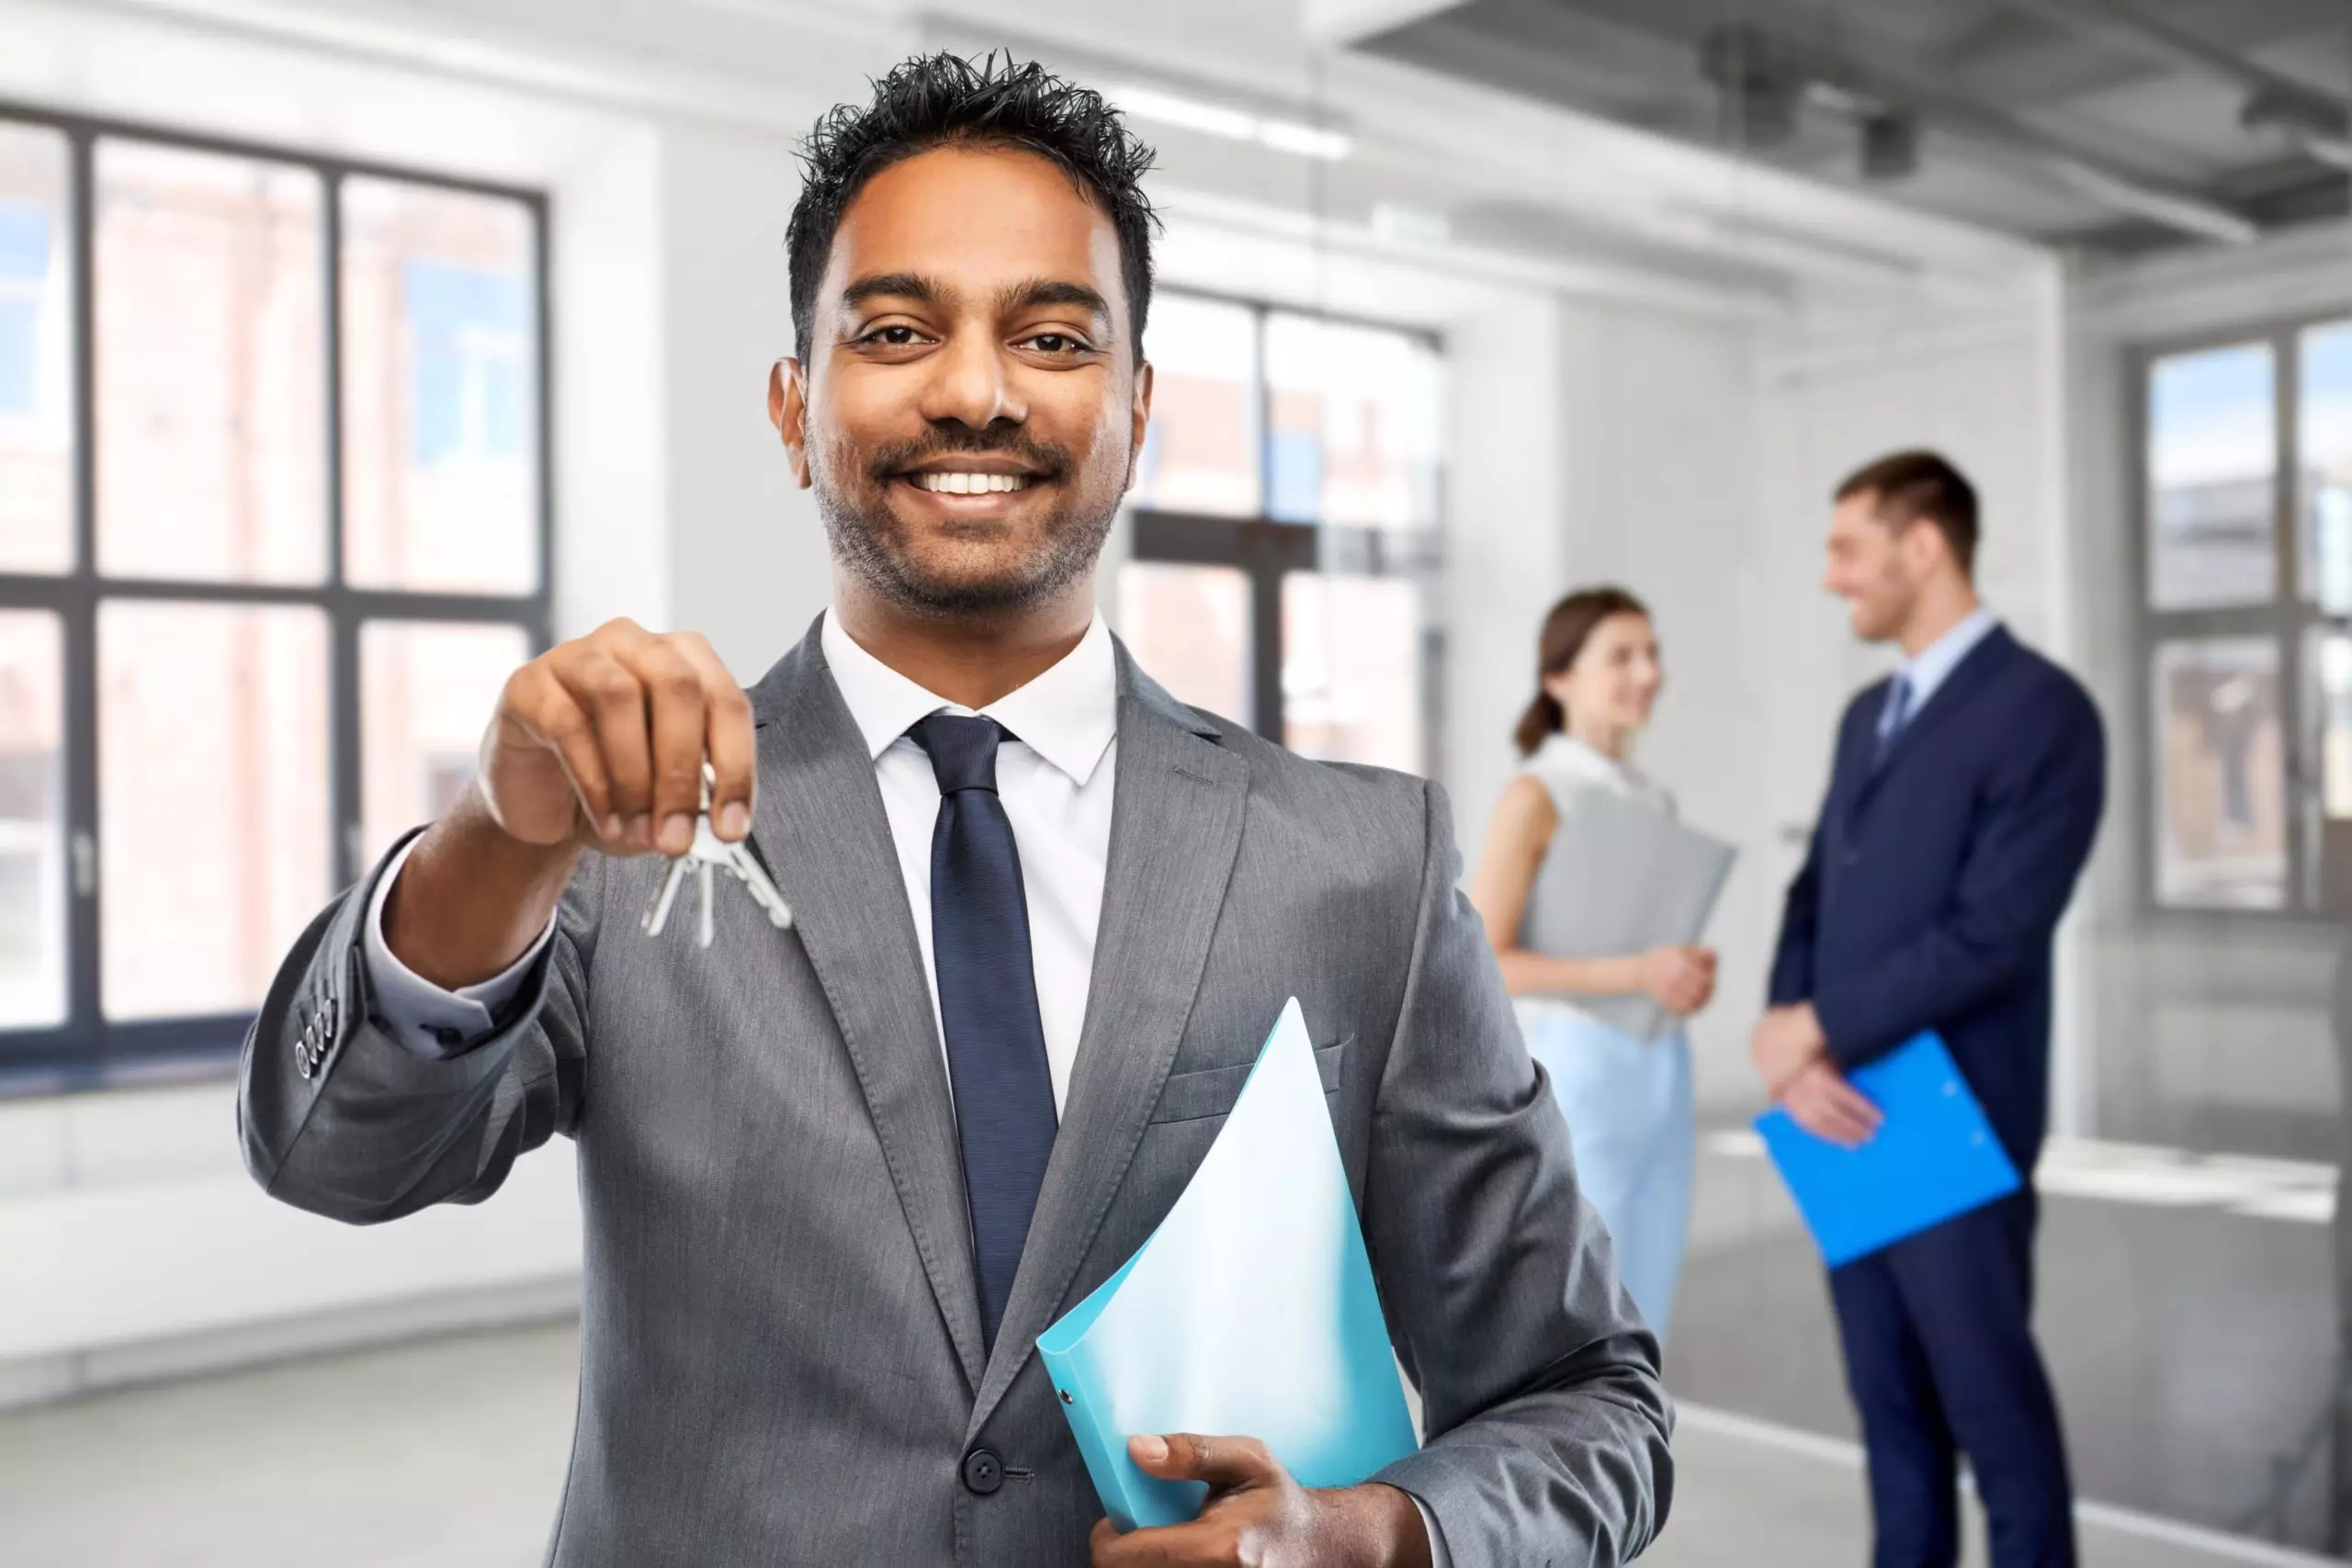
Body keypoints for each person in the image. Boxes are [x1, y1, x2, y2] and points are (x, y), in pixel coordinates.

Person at [236, 53, 1669, 1568]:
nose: (976, 390)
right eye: (899, 329)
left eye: (1052, 335)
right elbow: (336, 1154)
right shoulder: (615, 829)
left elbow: (1589, 1399)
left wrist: (1386, 1534)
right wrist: (498, 835)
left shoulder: (1360, 865)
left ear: (1135, 409)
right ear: (796, 410)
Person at [1754, 450, 2105, 1568]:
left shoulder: (2045, 711)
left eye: (1846, 549)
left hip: (1957, 1115)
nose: (1831, 578)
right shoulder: (1868, 716)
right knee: (1889, 1411)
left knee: (1990, 1411)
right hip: (1839, 1108)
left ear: (1923, 545)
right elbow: (1814, 890)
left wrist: (1819, 1026)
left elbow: (1995, 932)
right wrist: (1785, 1033)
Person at [1469, 587, 1711, 1337]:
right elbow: (1489, 960)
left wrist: (1678, 975)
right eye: (1622, 656)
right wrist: (1637, 972)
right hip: (1582, 1076)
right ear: (1560, 677)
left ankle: (1638, 1456)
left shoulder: (1652, 796)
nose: (1647, 672)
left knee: (1651, 1306)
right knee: (1586, 1310)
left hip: (1662, 1068)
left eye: (1652, 653)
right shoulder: (1536, 793)